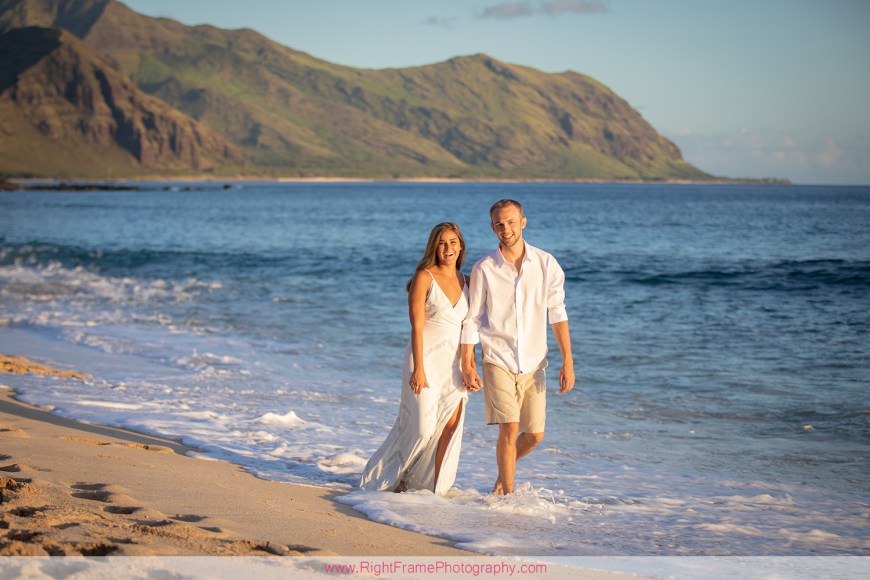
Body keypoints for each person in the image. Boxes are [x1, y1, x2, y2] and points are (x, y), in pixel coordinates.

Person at [460, 199, 574, 495]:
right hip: (497, 358)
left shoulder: (546, 263)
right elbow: (472, 319)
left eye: (511, 222)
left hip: (535, 362)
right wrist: (468, 363)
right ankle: (506, 498)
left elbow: (557, 313)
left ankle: (503, 472)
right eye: (499, 224)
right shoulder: (485, 267)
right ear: (492, 227)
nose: (505, 229)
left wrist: (568, 362)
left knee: (534, 434)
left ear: (523, 222)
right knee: (509, 428)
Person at [360, 222, 479, 494]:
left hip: (454, 367)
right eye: (442, 243)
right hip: (423, 360)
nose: (447, 248)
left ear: (461, 245)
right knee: (422, 428)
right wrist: (419, 369)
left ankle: (431, 490)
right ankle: (383, 478)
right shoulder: (424, 277)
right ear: (433, 247)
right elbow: (416, 326)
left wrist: (470, 366)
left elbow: (471, 329)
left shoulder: (469, 281)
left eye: (452, 242)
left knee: (448, 431)